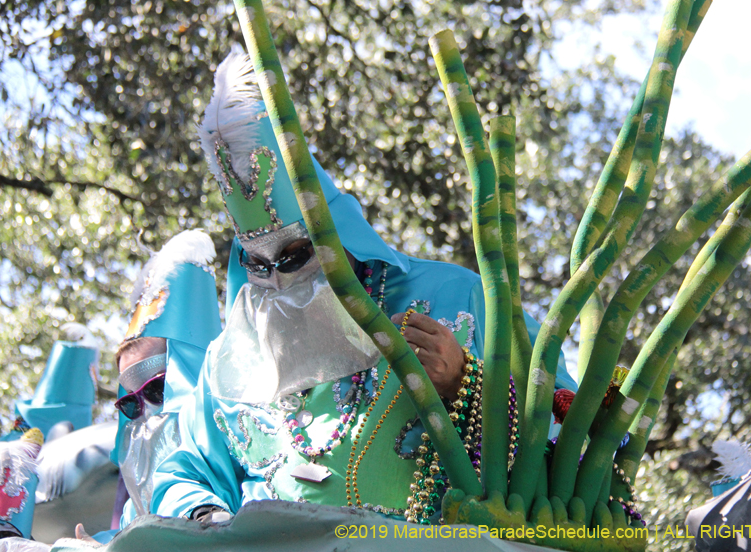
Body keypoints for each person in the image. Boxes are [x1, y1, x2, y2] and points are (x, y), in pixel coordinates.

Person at [151, 52, 576, 524]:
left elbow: (579, 432)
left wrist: (466, 382)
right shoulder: (229, 361)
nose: (280, 280)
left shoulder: (457, 298)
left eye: (296, 256)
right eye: (259, 264)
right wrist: (207, 516)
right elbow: (181, 472)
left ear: (338, 234)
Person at [95, 229, 222, 539]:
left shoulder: (251, 434)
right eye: (130, 402)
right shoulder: (139, 489)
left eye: (156, 388)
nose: (146, 411)